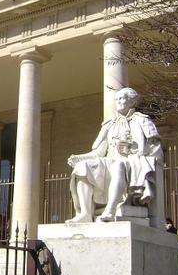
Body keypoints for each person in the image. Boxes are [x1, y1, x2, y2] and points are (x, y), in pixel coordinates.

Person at [66, 87, 163, 223]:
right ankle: (86, 213)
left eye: (122, 98)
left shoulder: (143, 121)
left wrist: (134, 151)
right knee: (82, 167)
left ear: (132, 102)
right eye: (116, 99)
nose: (118, 101)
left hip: (131, 161)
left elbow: (155, 147)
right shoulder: (109, 125)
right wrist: (80, 158)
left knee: (118, 165)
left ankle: (110, 210)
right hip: (109, 160)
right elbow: (99, 152)